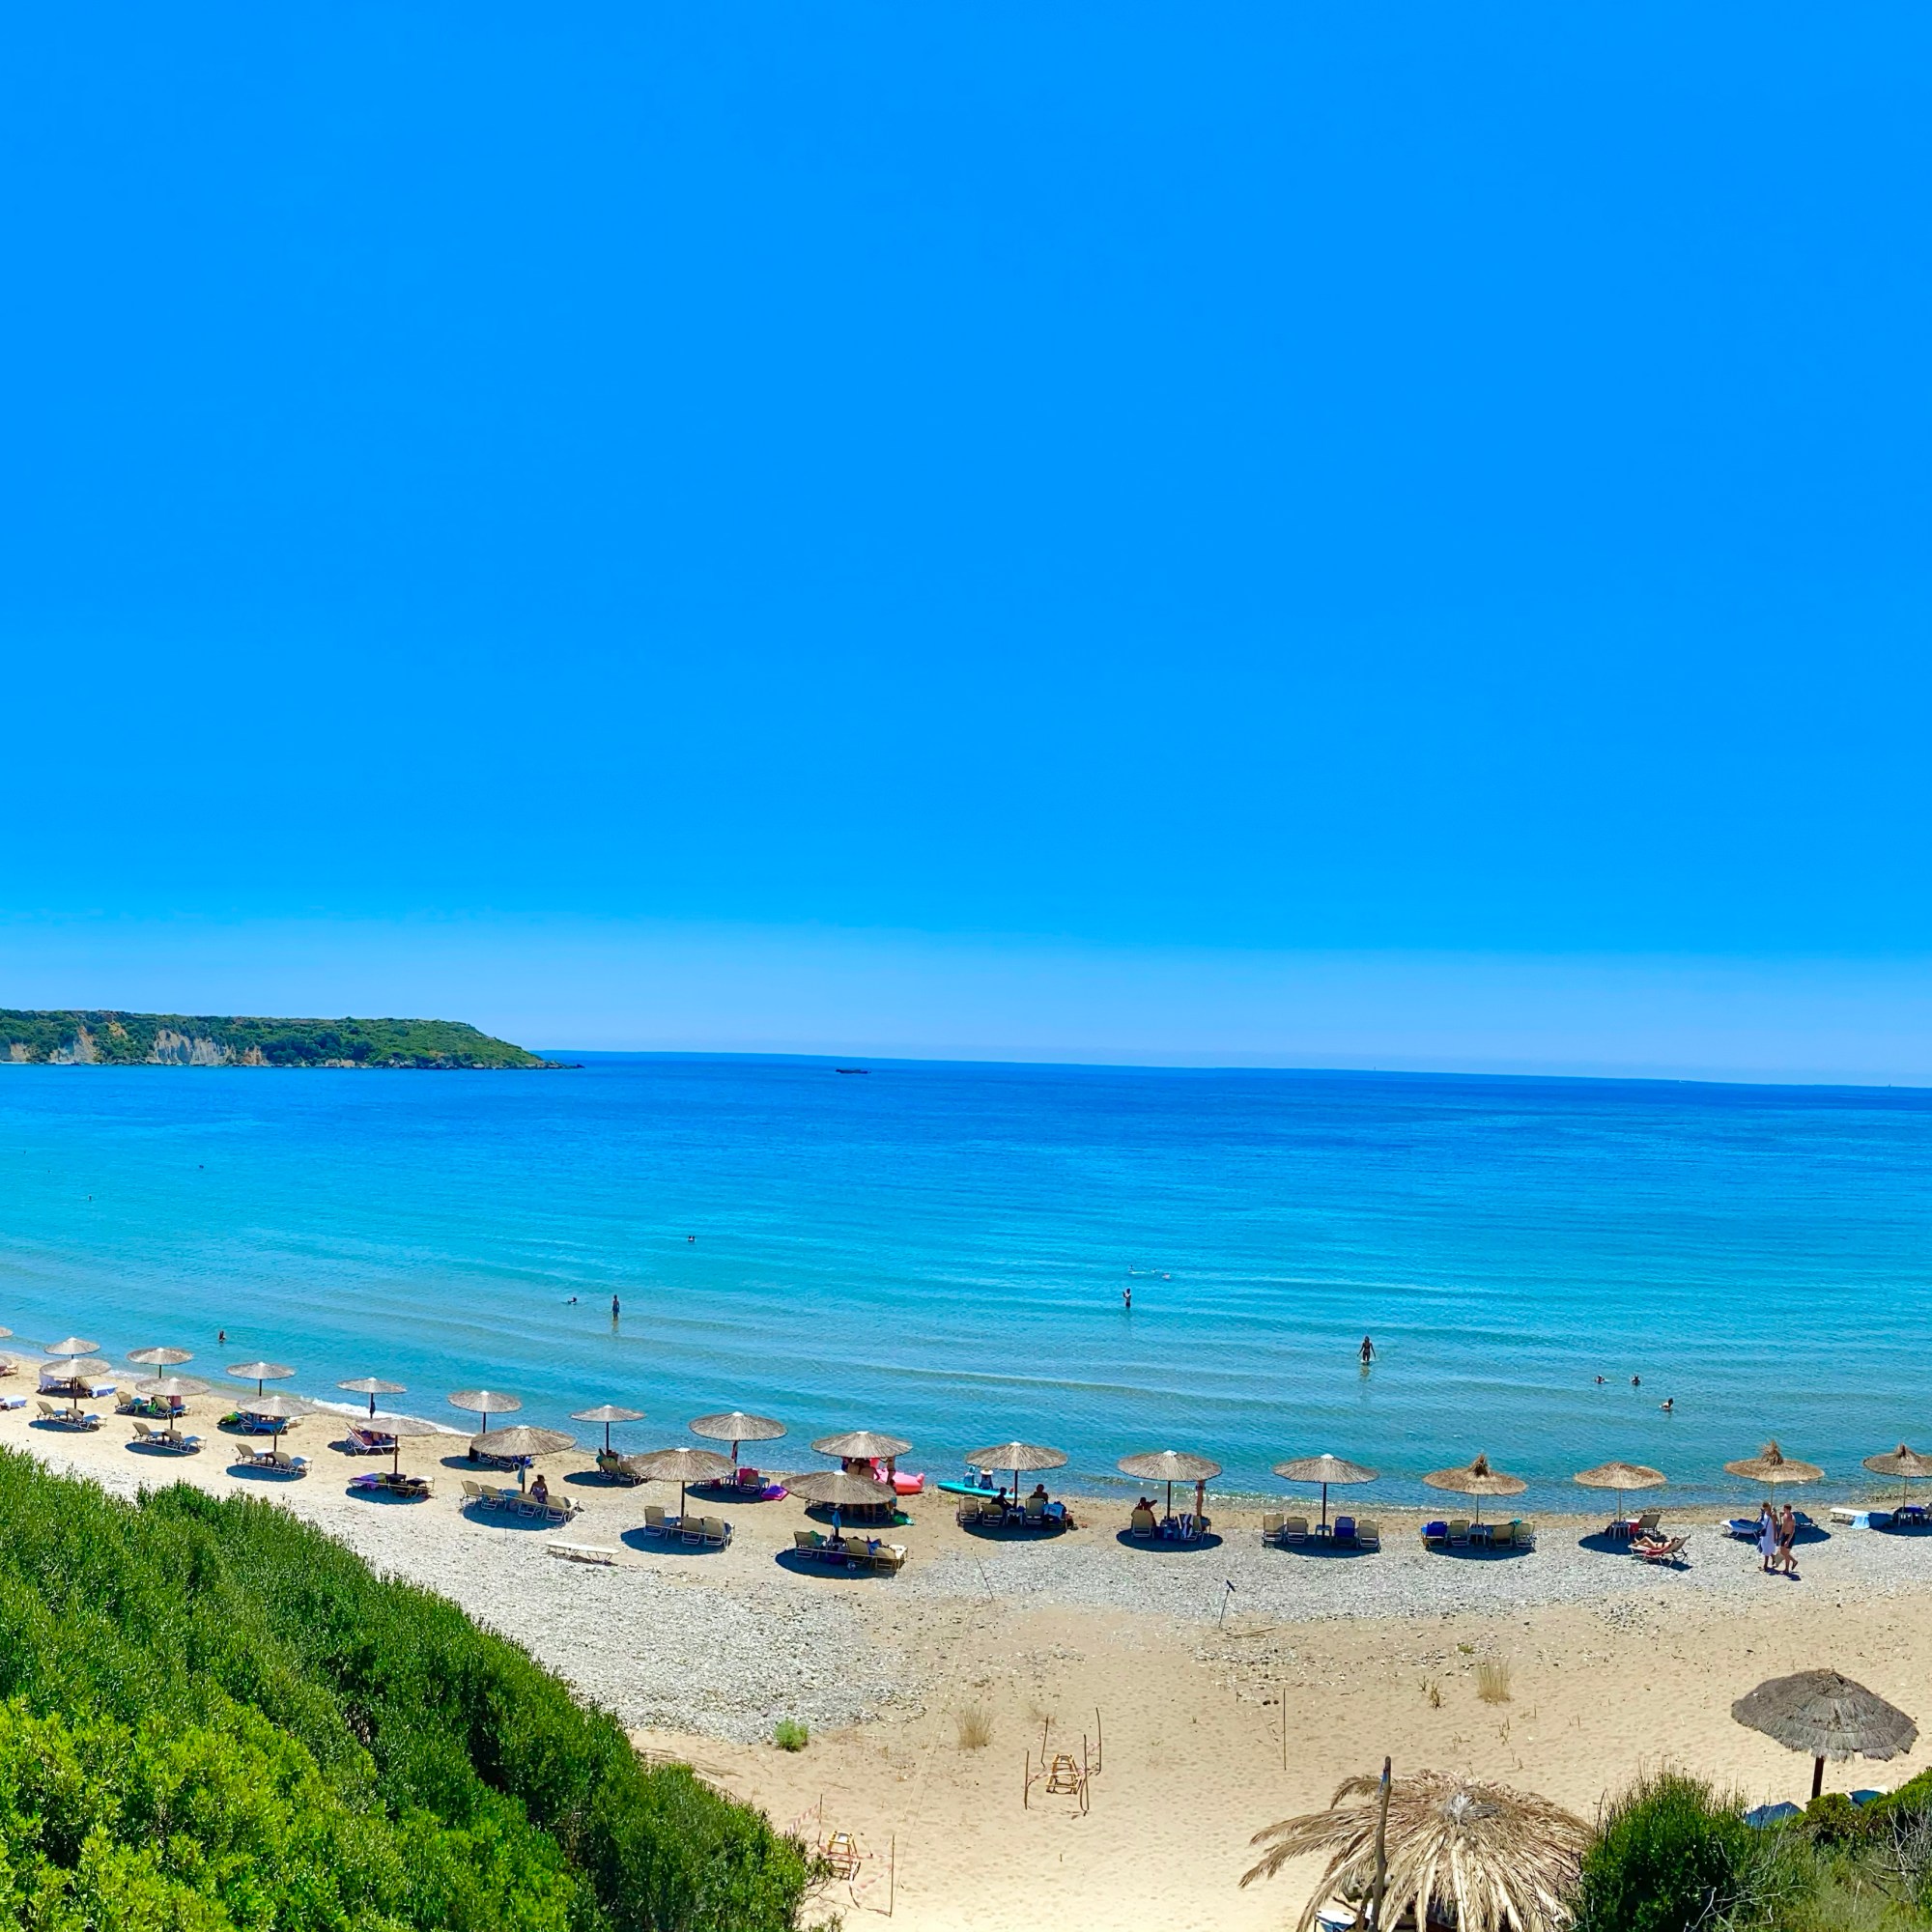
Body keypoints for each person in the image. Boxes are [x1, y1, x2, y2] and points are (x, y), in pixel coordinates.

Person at [1777, 1503, 1800, 1577]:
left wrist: (1788, 1541)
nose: (1783, 1510)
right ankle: (1793, 1561)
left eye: (1784, 1509)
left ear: (1787, 1509)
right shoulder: (1785, 1515)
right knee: (1782, 1551)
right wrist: (1780, 1534)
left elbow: (1793, 1531)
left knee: (1786, 1552)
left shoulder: (1792, 1519)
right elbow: (1783, 1526)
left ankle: (1787, 1568)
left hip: (1790, 1536)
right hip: (1785, 1535)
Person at [1757, 1501, 1777, 1575]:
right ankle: (1773, 1557)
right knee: (1764, 1546)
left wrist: (1775, 1535)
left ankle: (1765, 1566)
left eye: (1766, 1507)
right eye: (1764, 1508)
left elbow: (1775, 1526)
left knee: (1767, 1548)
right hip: (1765, 1532)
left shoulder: (1773, 1514)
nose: (1765, 1509)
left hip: (1770, 1533)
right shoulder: (1765, 1513)